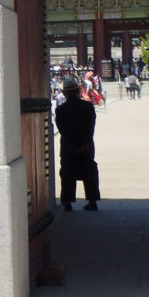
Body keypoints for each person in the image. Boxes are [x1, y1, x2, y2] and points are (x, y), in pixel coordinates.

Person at [55, 76, 100, 211]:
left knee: (67, 174)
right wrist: (83, 144)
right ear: (78, 91)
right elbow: (90, 127)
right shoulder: (88, 107)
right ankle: (92, 201)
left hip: (69, 147)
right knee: (89, 173)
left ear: (64, 93)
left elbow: (63, 130)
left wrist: (74, 145)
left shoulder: (61, 110)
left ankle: (67, 202)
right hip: (86, 146)